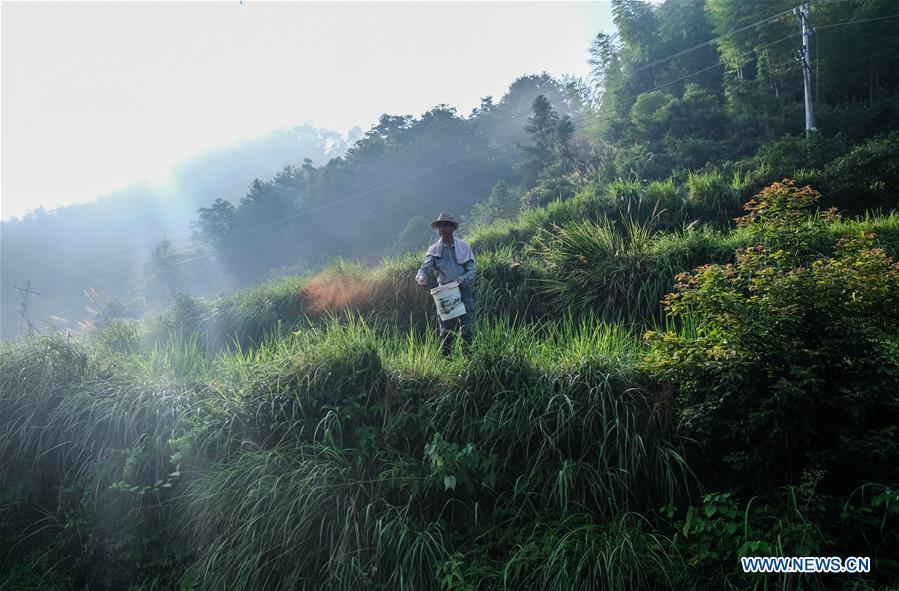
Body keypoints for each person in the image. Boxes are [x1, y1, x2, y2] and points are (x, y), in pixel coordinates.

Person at [415, 212, 476, 357]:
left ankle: (468, 359)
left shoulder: (464, 247)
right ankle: (447, 360)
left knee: (466, 326)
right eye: (440, 227)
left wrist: (461, 280)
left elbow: (472, 270)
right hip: (445, 293)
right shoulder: (434, 250)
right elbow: (424, 269)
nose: (442, 230)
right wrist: (421, 277)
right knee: (446, 330)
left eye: (445, 226)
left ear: (452, 228)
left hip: (463, 290)